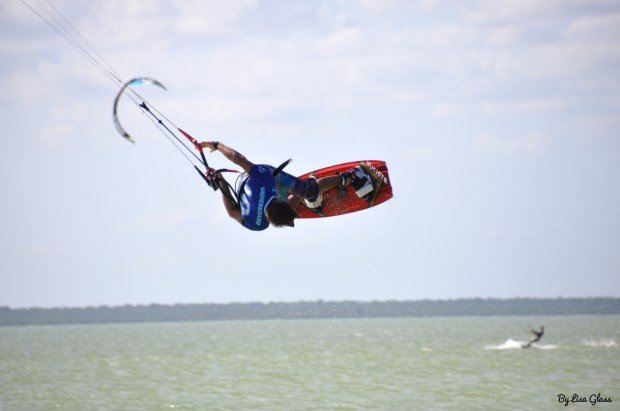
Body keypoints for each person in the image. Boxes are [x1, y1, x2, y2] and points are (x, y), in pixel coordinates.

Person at [199, 141, 374, 231]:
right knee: (308, 193)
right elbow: (231, 212)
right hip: (253, 185)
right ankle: (314, 194)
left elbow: (239, 160)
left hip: (260, 178)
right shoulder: (257, 221)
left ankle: (347, 177)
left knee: (309, 192)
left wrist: (219, 176)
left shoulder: (258, 222)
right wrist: (220, 177)